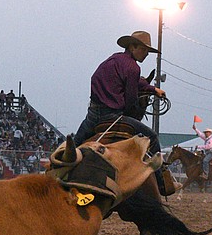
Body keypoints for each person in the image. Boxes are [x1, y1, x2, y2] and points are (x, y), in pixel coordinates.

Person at [72, 30, 171, 194]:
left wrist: (153, 88)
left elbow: (135, 81)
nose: (146, 54)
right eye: (144, 50)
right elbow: (131, 99)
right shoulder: (133, 67)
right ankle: (162, 184)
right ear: (133, 47)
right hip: (113, 116)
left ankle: (58, 171)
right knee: (152, 137)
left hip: (93, 113)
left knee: (75, 147)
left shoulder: (114, 59)